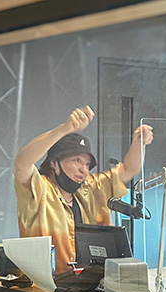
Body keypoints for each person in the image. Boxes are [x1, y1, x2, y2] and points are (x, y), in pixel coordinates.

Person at [13, 105, 153, 273]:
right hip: (44, 286)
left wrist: (139, 143)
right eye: (77, 160)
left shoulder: (90, 189)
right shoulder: (39, 189)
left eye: (87, 164)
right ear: (54, 163)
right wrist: (64, 129)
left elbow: (128, 170)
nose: (84, 170)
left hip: (88, 283)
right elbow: (22, 164)